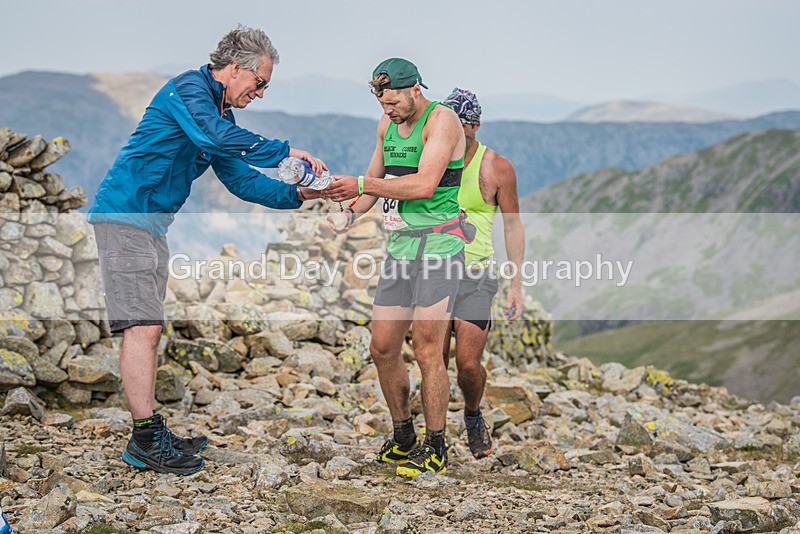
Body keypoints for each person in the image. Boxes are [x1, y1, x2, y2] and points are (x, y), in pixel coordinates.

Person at [87, 25, 327, 475]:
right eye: (260, 84)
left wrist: (299, 196)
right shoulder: (188, 90)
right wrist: (284, 150)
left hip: (150, 224)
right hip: (125, 217)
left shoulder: (221, 116)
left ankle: (149, 432)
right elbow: (214, 137)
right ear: (235, 69)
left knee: (148, 327)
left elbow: (240, 180)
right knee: (143, 328)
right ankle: (144, 440)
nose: (261, 93)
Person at [324, 58, 468, 477]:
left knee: (427, 347)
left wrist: (364, 185)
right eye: (381, 103)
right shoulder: (386, 126)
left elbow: (423, 184)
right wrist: (349, 214)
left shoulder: (442, 122)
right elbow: (373, 181)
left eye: (392, 102)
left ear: (414, 90)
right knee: (383, 346)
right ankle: (404, 434)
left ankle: (436, 444)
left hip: (441, 247)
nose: (387, 110)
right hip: (402, 249)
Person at [440, 88, 524, 459]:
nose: (456, 135)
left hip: (476, 274)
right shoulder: (431, 159)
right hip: (432, 270)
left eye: (463, 127)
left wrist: (516, 284)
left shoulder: (496, 167)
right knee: (433, 360)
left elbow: (513, 225)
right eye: (449, 127)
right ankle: (435, 438)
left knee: (468, 363)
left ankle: (473, 414)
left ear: (474, 125)